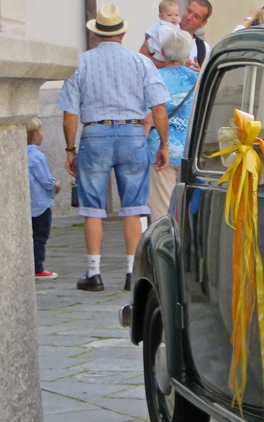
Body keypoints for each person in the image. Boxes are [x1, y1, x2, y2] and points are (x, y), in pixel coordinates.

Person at [58, 3, 170, 292]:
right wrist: (164, 144)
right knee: (134, 206)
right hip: (133, 133)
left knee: (92, 208)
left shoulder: (80, 63)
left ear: (96, 35)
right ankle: (133, 273)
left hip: (95, 133)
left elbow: (70, 114)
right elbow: (158, 108)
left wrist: (70, 149)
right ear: (122, 33)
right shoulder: (141, 63)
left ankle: (94, 274)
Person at [144, 29, 198, 223]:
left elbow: (148, 118)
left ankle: (165, 248)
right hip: (191, 151)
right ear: (187, 54)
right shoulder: (198, 79)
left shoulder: (154, 78)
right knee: (188, 210)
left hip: (159, 150)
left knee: (161, 212)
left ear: (164, 52)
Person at [26, 117, 61, 280]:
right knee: (40, 237)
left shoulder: (20, 154)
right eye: (42, 132)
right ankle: (38, 268)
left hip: (28, 205)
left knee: (29, 237)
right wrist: (55, 187)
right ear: (35, 135)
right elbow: (45, 180)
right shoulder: (37, 156)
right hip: (40, 205)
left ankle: (29, 265)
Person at [142, 0, 213, 71]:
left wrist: (200, 73)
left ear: (203, 23)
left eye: (196, 16)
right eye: (189, 11)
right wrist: (176, 66)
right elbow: (142, 57)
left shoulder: (204, 48)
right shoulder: (161, 29)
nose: (189, 17)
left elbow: (208, 77)